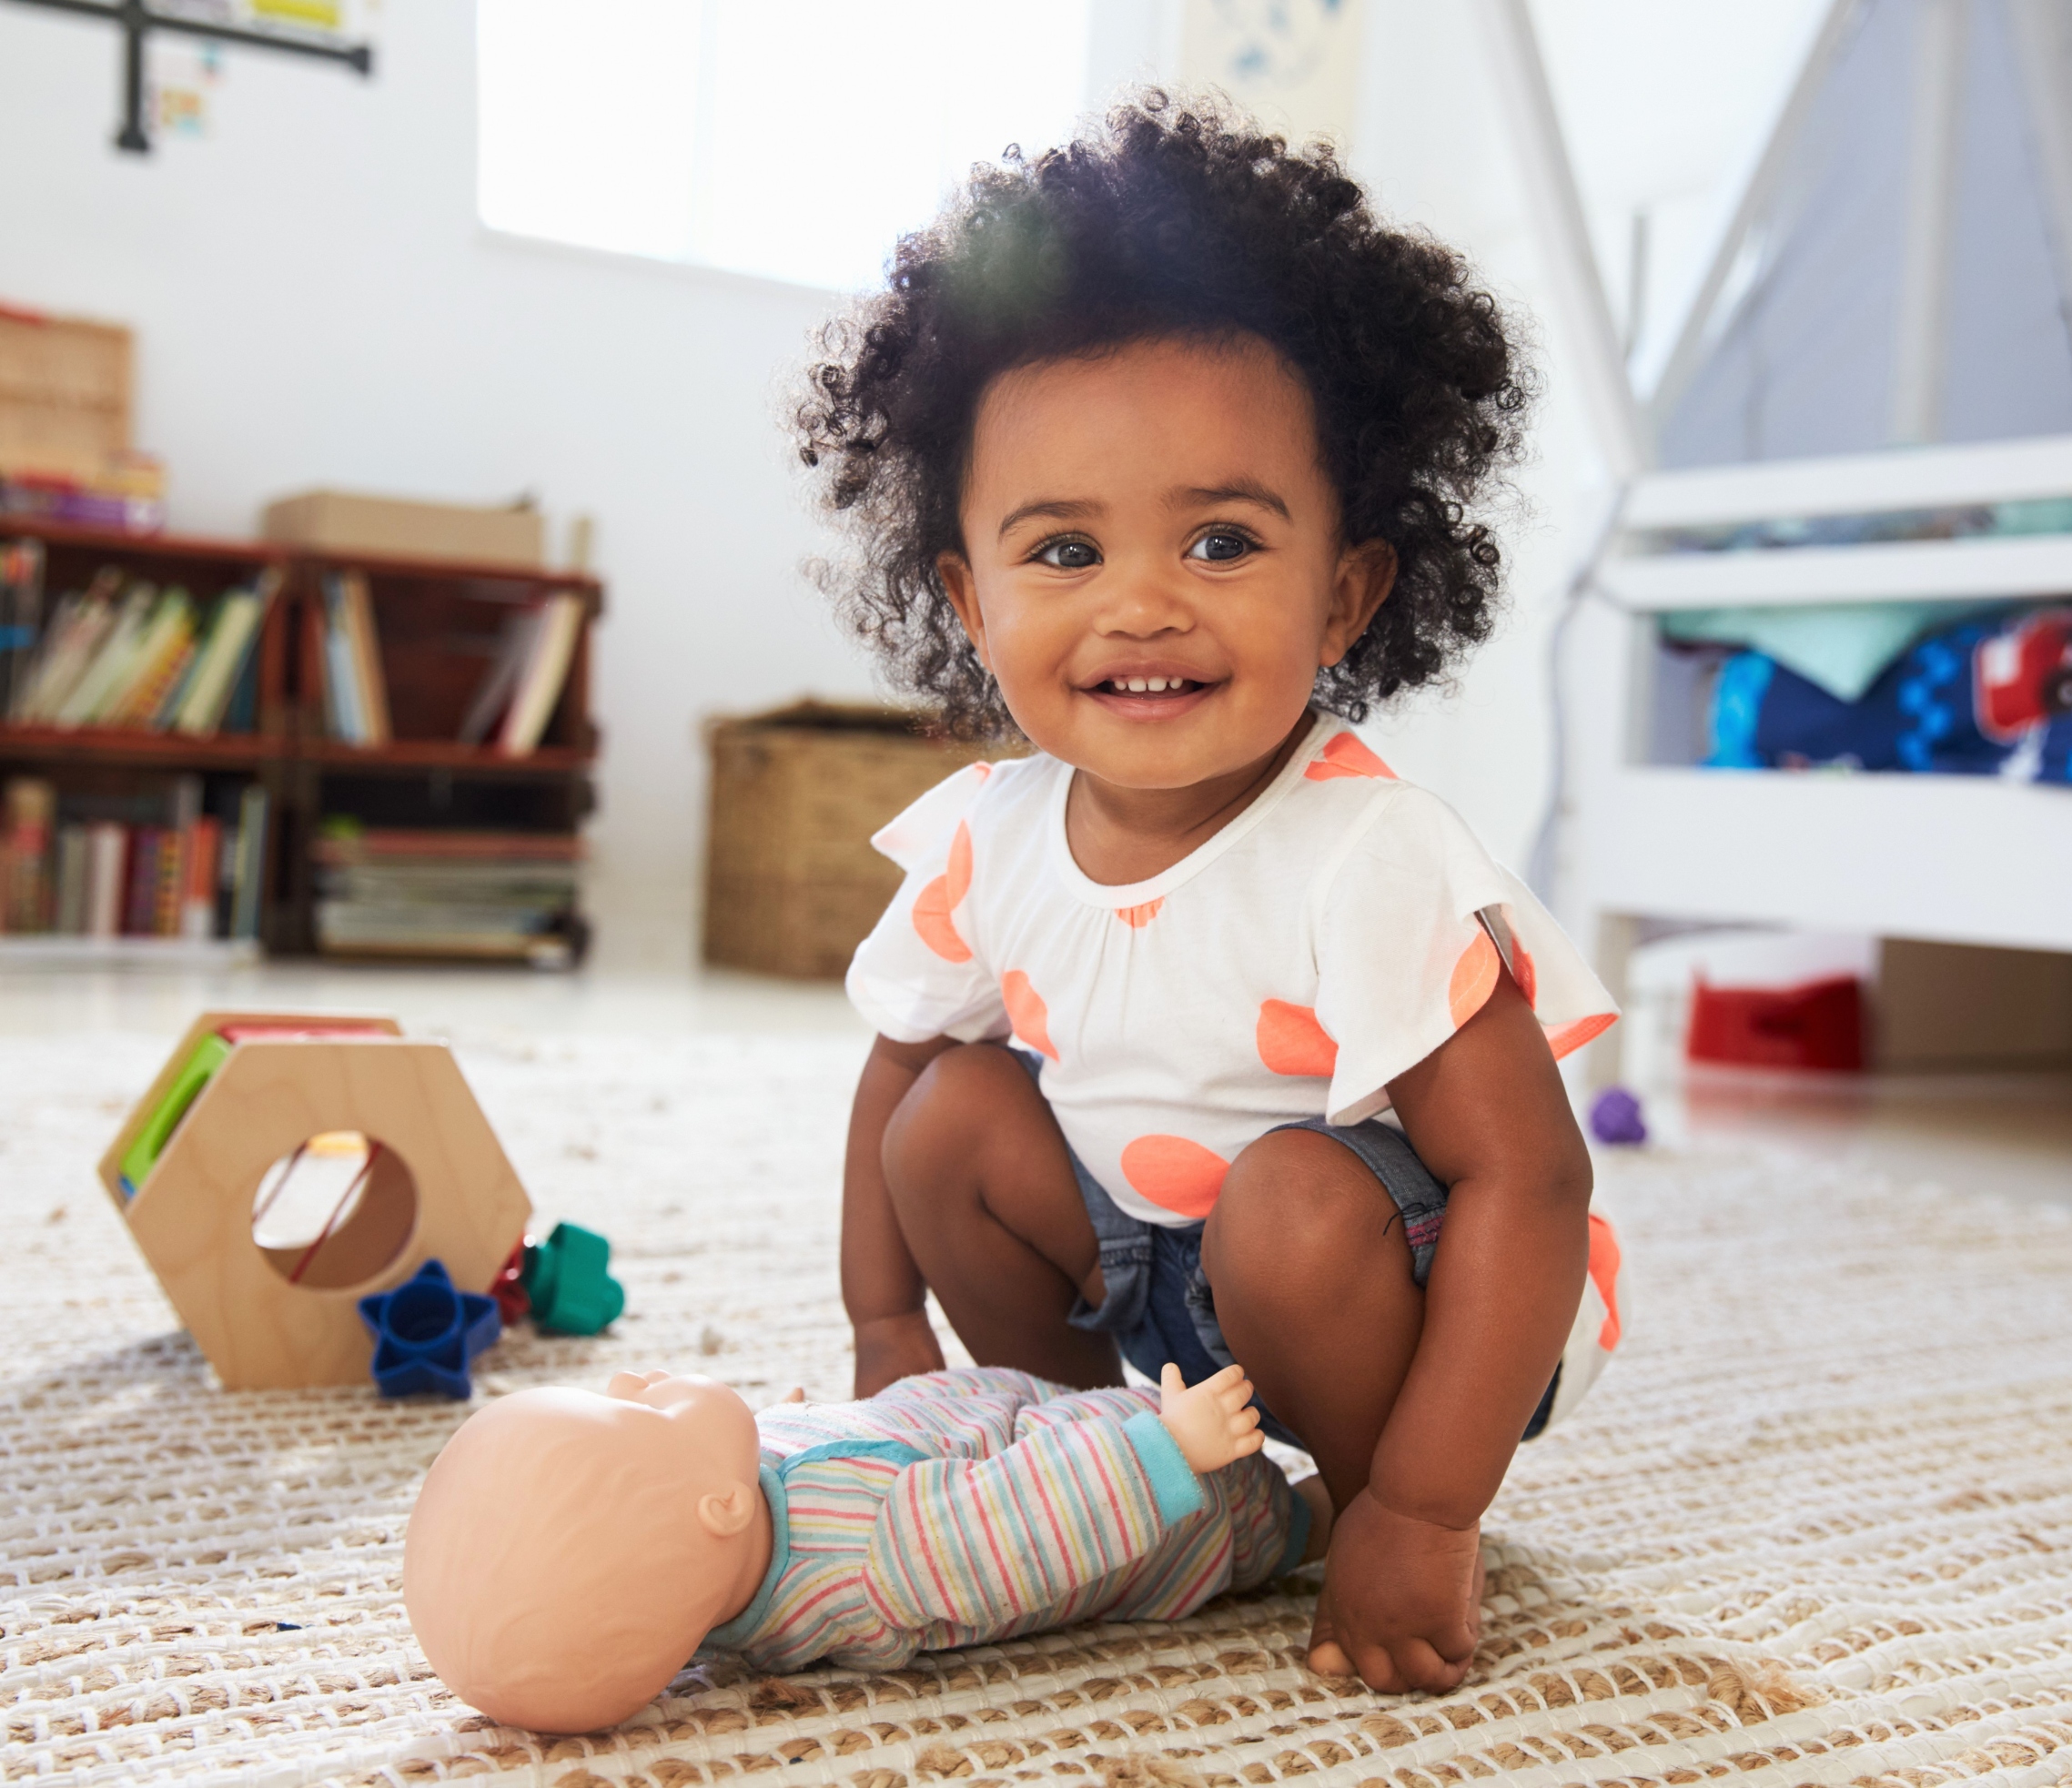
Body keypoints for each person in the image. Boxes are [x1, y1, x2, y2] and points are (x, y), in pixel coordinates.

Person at [804, 94, 1625, 1697]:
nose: (1143, 604)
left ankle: (1345, 1496)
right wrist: (887, 1339)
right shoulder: (991, 833)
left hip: (1411, 1299)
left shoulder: (1364, 851)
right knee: (952, 1118)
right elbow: (900, 1073)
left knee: (1292, 1198)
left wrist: (1429, 1508)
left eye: (1224, 538)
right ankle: (1124, 1461)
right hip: (1168, 1275)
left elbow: (1531, 1188)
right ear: (967, 599)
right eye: (1061, 554)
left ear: (1347, 592)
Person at [404, 1362, 1324, 1734]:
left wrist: (801, 1429)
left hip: (1009, 1411)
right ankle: (1326, 1515)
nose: (639, 1377)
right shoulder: (881, 1558)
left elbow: (767, 1454)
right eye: (640, 1407)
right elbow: (1030, 1521)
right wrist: (1171, 1449)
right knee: (1312, 1513)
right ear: (720, 1508)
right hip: (1179, 1501)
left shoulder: (718, 1541)